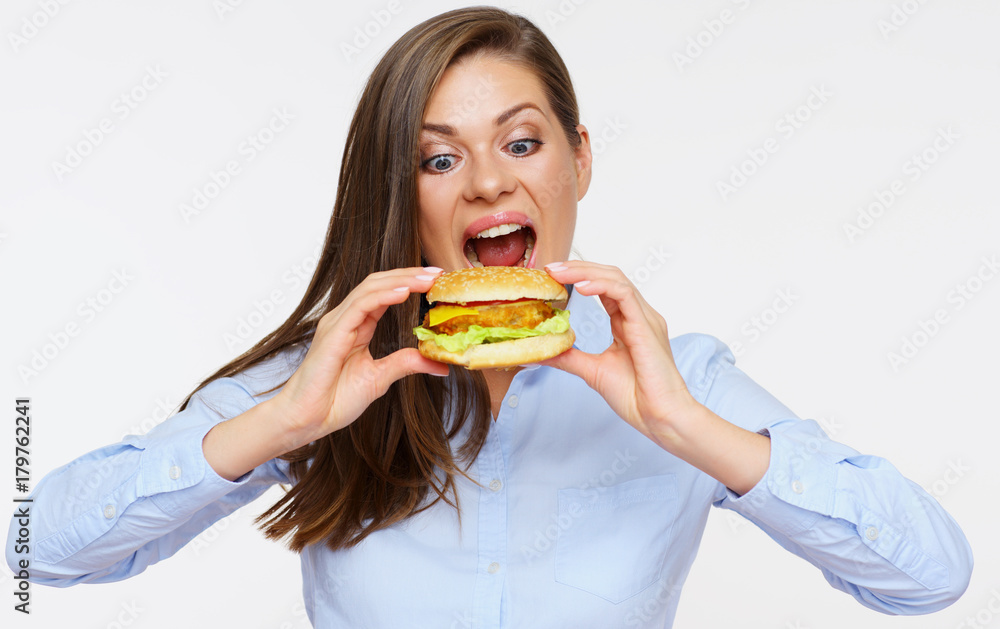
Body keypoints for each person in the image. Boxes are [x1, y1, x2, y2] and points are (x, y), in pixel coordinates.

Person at [6, 7, 972, 628]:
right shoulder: (332, 377)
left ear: (579, 159)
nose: (490, 181)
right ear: (402, 188)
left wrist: (691, 429)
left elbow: (928, 574)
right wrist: (280, 425)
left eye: (521, 140)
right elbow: (28, 549)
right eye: (439, 158)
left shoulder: (681, 380)